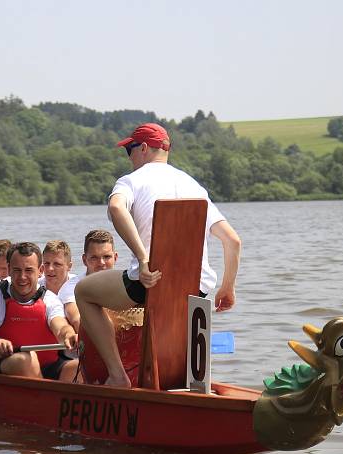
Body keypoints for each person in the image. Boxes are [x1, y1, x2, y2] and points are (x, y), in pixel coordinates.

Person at [75, 123, 241, 388]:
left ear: (142, 148)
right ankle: (189, 385)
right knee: (177, 311)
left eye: (129, 149)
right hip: (197, 290)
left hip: (149, 283)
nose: (128, 157)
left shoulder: (131, 181)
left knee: (84, 291)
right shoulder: (194, 186)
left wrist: (143, 260)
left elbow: (116, 208)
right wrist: (227, 287)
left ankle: (118, 377)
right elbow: (233, 241)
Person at [0, 242, 79, 381]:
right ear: (9, 269)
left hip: (50, 366)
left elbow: (61, 327)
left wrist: (69, 335)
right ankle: (45, 397)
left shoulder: (50, 300)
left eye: (29, 270)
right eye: (17, 270)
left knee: (77, 367)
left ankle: (49, 396)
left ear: (40, 270)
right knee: (25, 359)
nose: (22, 277)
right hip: (7, 365)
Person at [58, 229, 118, 333]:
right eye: (94, 258)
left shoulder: (124, 283)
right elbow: (77, 321)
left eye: (107, 257)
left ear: (115, 258)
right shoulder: (72, 287)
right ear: (84, 260)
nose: (101, 263)